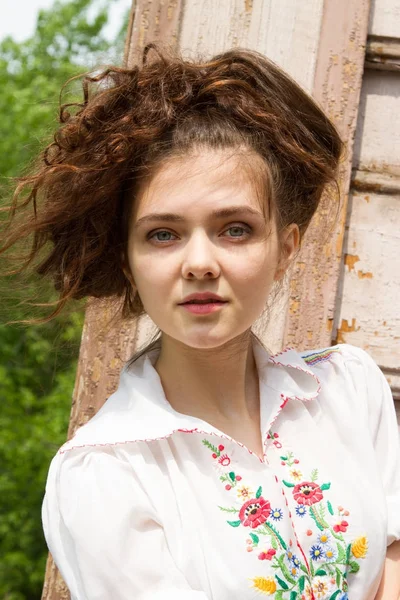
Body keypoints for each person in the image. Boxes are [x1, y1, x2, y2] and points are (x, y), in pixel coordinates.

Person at [2, 43, 399, 600]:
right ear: (127, 260)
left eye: (234, 228)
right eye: (162, 234)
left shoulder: (349, 390)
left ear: (286, 247)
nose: (200, 263)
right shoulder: (105, 474)